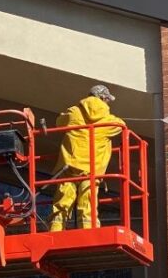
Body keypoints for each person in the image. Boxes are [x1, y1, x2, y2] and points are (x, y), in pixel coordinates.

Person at [48, 84, 125, 231]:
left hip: (69, 166)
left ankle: (56, 229)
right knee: (87, 202)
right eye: (107, 100)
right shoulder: (109, 120)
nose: (108, 103)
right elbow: (122, 126)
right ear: (102, 98)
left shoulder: (74, 113)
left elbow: (59, 122)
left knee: (63, 200)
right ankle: (89, 230)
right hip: (91, 169)